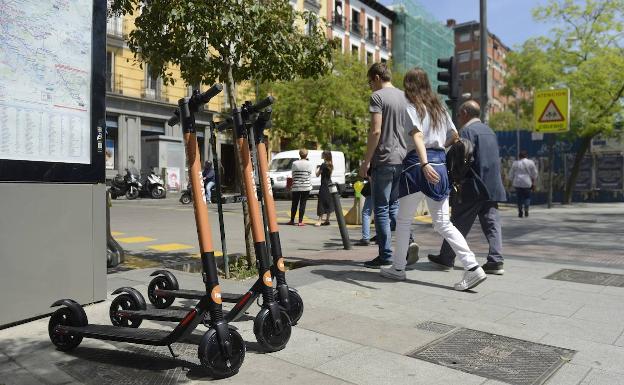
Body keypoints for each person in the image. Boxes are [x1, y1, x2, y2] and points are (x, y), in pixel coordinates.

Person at [379, 68, 486, 291]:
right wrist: (437, 154)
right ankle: (473, 267)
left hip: (418, 166)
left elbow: (416, 135)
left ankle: (398, 268)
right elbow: (455, 137)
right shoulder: (440, 109)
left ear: (409, 86)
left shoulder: (410, 108)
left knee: (404, 220)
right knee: (443, 223)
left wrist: (425, 162)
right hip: (440, 165)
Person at [428, 100, 507, 275]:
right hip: (492, 186)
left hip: (473, 186)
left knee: (458, 222)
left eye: (458, 114)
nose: (457, 117)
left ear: (464, 112)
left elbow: (460, 160)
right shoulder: (489, 131)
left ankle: (446, 258)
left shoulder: (466, 132)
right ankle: (496, 260)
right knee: (492, 222)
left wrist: (452, 179)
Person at [359, 62, 409, 268]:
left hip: (384, 158)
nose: (370, 86)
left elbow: (376, 131)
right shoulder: (404, 96)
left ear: (377, 78)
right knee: (394, 206)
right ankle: (409, 241)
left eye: (370, 82)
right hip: (402, 158)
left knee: (380, 208)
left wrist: (366, 161)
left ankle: (385, 255)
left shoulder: (377, 97)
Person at [510, 150, 538, 218]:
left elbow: (511, 174)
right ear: (526, 156)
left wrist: (511, 180)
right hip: (527, 183)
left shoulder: (515, 163)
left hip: (518, 183)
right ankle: (526, 209)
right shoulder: (530, 162)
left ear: (519, 156)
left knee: (519, 198)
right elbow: (535, 173)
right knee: (527, 197)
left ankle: (520, 211)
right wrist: (534, 180)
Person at [288, 149, 313, 226]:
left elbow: (293, 174)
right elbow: (309, 173)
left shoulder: (294, 163)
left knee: (294, 203)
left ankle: (292, 220)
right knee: (303, 203)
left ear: (299, 154)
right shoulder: (309, 163)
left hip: (296, 186)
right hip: (306, 186)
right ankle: (300, 221)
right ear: (306, 155)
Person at [315, 150, 334, 226]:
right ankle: (327, 220)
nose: (321, 155)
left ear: (325, 156)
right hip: (329, 184)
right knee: (328, 201)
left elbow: (317, 174)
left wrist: (316, 169)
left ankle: (319, 220)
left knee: (321, 202)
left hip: (323, 185)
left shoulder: (323, 165)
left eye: (322, 154)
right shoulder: (331, 164)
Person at [354, 178, 373, 246]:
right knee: (381, 213)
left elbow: (364, 173)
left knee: (366, 213)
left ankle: (366, 238)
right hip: (386, 189)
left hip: (373, 190)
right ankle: (381, 237)